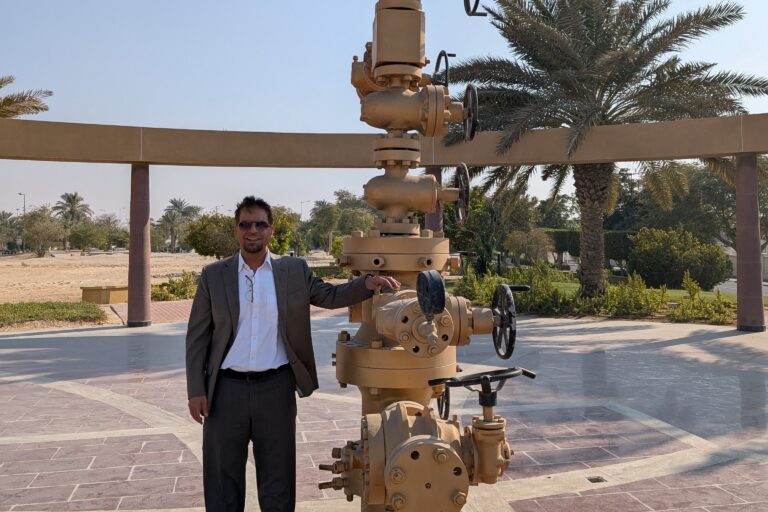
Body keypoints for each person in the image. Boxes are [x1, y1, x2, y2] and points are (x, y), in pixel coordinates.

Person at [185, 196, 399, 512]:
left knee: (278, 480)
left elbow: (329, 294)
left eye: (260, 224)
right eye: (245, 224)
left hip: (275, 390)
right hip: (224, 393)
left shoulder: (293, 271)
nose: (252, 231)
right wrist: (196, 390)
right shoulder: (214, 275)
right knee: (221, 482)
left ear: (271, 231)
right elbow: (197, 338)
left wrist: (367, 283)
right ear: (236, 231)